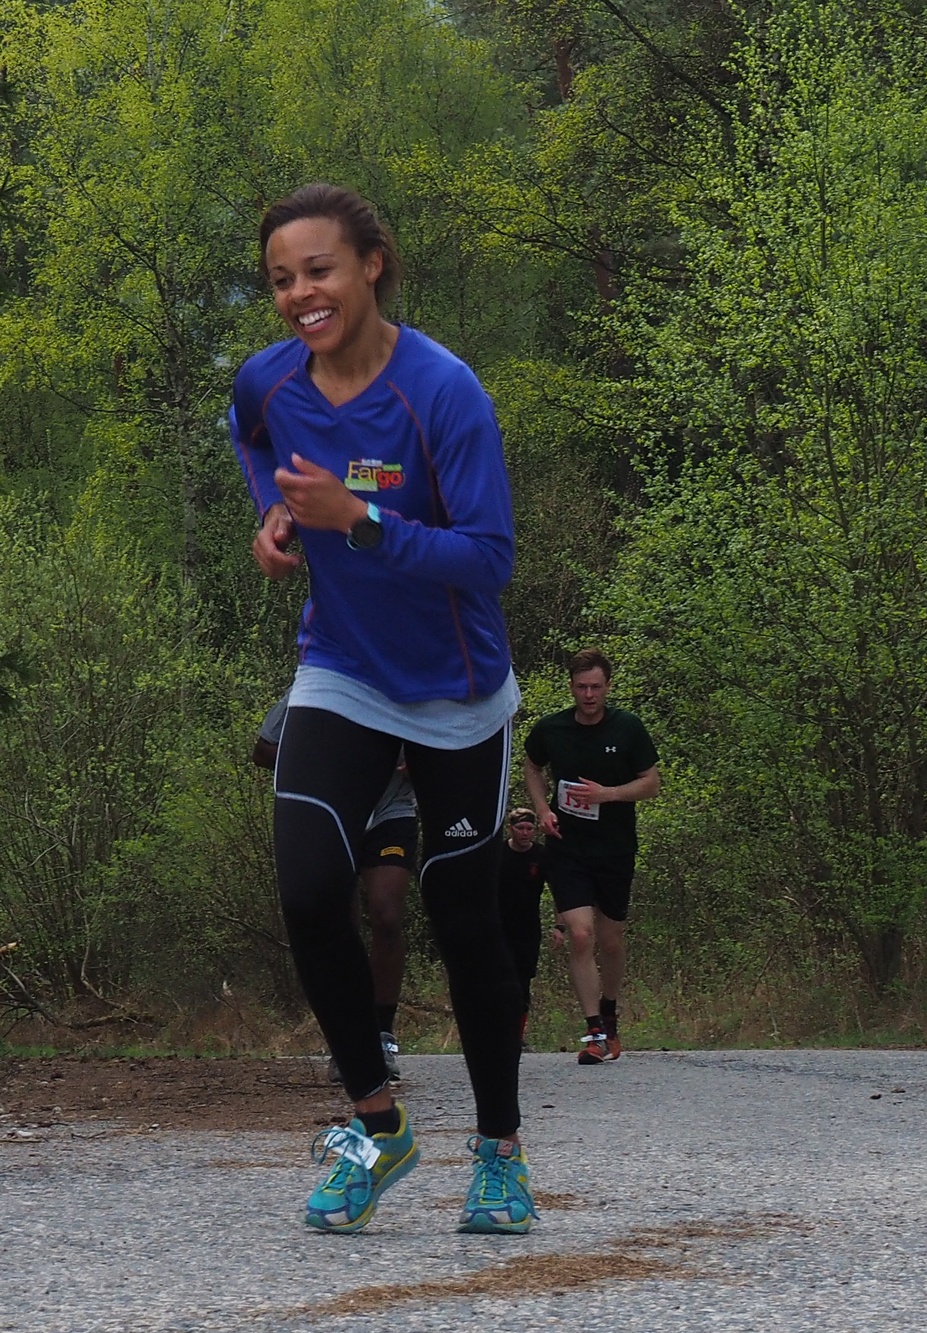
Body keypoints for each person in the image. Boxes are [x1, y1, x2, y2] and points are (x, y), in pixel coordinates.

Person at [230, 182, 535, 1236]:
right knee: (312, 890)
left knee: (465, 923)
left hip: (455, 697)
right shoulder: (267, 383)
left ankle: (498, 1151)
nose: (299, 294)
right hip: (343, 672)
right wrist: (276, 518)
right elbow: (258, 448)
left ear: (371, 264)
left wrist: (359, 524)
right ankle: (375, 1126)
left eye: (317, 269)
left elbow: (489, 560)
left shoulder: (442, 392)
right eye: (280, 279)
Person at [252, 690, 416, 1083]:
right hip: (334, 811)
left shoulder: (409, 687)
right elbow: (263, 750)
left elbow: (450, 743)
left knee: (388, 915)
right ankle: (348, 1040)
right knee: (340, 924)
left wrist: (423, 759)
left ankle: (382, 1034)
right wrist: (321, 759)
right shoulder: (319, 685)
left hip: (390, 812)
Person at [523, 648, 659, 1064]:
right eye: (581, 687)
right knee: (580, 935)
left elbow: (651, 784)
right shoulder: (552, 728)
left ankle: (611, 1014)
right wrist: (543, 809)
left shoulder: (628, 728)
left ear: (607, 688)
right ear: (571, 687)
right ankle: (594, 1031)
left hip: (615, 846)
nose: (588, 695)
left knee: (611, 938)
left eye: (595, 687)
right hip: (568, 846)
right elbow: (532, 766)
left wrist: (608, 795)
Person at [496, 808, 549, 1046]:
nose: (526, 833)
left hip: (528, 928)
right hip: (497, 925)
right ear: (511, 829)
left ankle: (517, 1035)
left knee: (522, 981)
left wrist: (560, 926)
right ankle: (496, 1031)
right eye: (521, 828)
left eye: (530, 828)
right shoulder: (497, 853)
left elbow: (558, 889)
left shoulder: (541, 855)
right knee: (498, 980)